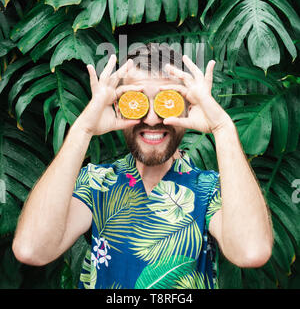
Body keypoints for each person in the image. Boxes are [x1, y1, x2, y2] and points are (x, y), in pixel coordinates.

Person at [12, 43, 273, 289]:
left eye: (166, 101)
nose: (151, 118)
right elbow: (32, 249)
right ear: (117, 105)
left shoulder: (209, 189)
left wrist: (222, 128)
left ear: (188, 106)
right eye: (136, 101)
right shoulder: (96, 183)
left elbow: (251, 252)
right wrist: (83, 129)